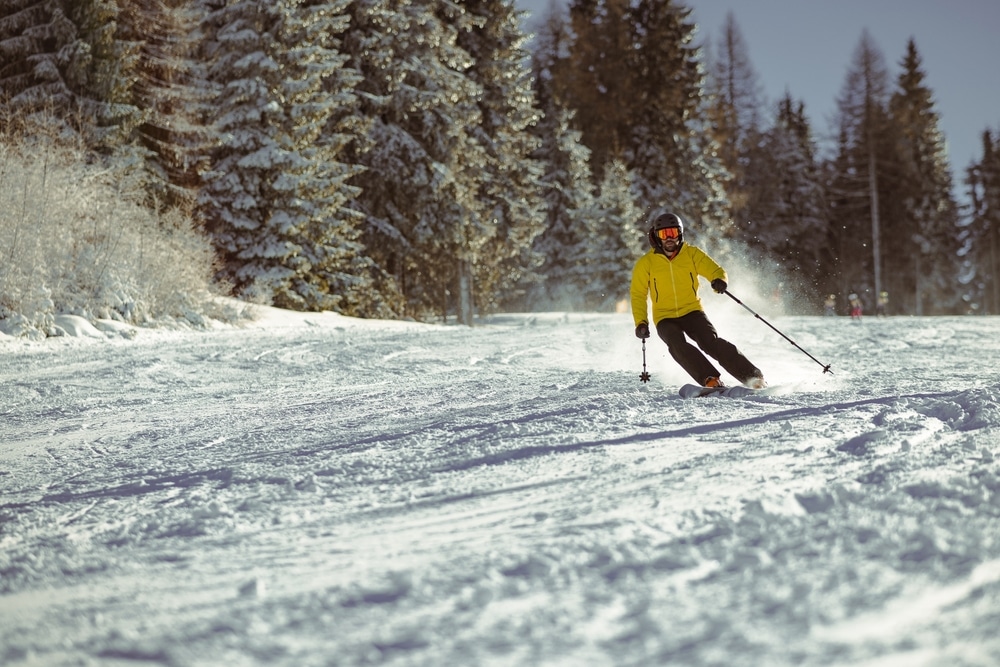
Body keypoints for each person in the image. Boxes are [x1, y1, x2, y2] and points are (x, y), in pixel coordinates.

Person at [630, 209, 766, 389]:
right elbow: (638, 294)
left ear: (680, 233)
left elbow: (715, 270)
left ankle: (752, 377)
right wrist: (641, 322)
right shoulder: (646, 263)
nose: (669, 238)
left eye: (673, 233)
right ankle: (710, 379)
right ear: (657, 236)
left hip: (692, 311)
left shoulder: (692, 254)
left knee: (710, 342)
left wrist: (719, 281)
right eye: (664, 234)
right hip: (664, 317)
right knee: (677, 345)